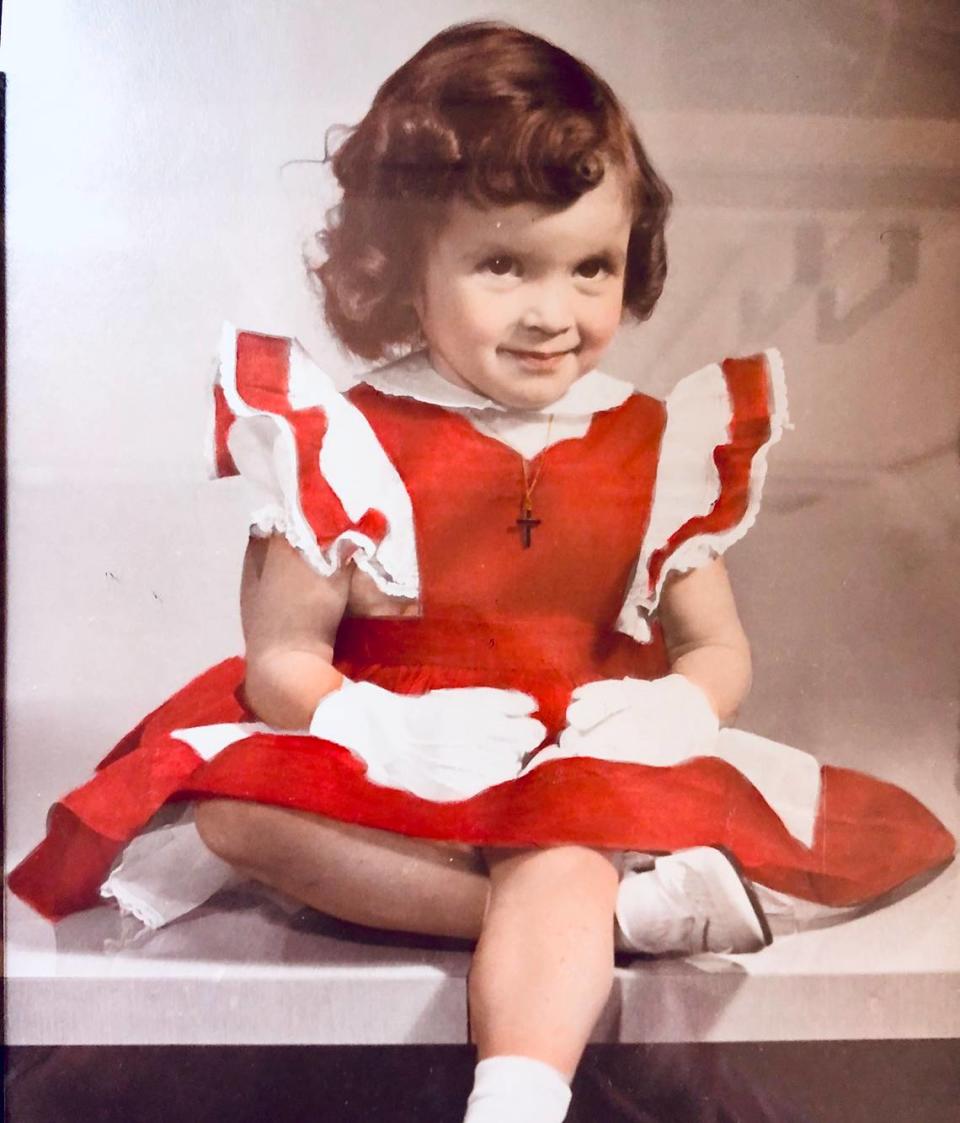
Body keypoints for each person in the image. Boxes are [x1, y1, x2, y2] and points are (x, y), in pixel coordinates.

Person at [9, 20, 954, 1123]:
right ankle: (608, 929)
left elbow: (713, 642)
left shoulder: (656, 442)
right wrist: (375, 727)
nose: (554, 312)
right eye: (504, 265)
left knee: (558, 850)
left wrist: (680, 705)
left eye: (590, 267)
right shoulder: (340, 437)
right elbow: (281, 657)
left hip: (577, 763)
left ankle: (515, 1095)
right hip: (403, 758)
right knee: (234, 817)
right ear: (401, 263)